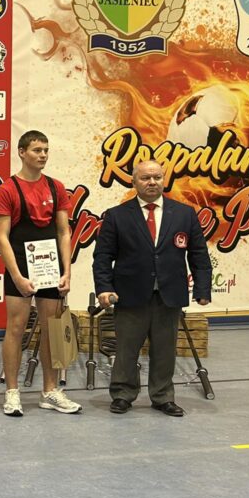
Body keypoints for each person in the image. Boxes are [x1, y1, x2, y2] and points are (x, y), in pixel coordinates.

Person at [93, 160, 211, 417]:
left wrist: (202, 289)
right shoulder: (116, 215)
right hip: (129, 294)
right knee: (126, 349)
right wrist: (103, 288)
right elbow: (102, 256)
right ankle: (123, 394)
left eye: (157, 177)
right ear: (134, 181)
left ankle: (162, 396)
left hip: (168, 295)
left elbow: (199, 254)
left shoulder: (184, 214)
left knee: (165, 350)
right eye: (145, 178)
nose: (152, 182)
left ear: (164, 180)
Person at [0, 130, 82, 416]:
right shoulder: (7, 189)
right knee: (16, 328)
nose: (42, 155)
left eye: (45, 150)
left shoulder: (56, 187)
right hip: (20, 265)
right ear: (22, 152)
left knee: (51, 329)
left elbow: (63, 232)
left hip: (50, 267)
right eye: (36, 150)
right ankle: (12, 392)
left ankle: (50, 391)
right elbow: (2, 237)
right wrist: (16, 276)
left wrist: (66, 271)